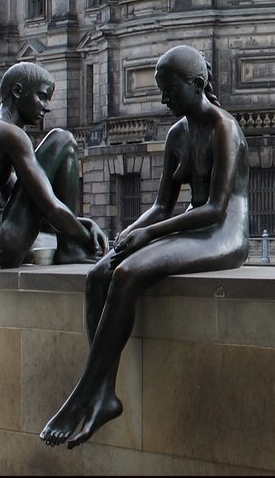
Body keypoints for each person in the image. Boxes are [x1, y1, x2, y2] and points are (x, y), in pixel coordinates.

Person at [41, 45, 249, 449]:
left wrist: (149, 236)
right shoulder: (177, 134)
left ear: (197, 84)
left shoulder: (224, 127)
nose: (163, 99)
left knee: (128, 272)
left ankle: (83, 393)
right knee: (100, 272)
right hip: (193, 228)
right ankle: (104, 395)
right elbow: (160, 206)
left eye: (169, 89)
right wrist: (130, 232)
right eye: (161, 90)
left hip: (224, 233)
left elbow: (215, 208)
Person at [0, 62, 108, 269]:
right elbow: (50, 208)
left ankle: (71, 244)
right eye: (42, 96)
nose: (47, 107)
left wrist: (83, 223)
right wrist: (85, 239)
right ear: (18, 91)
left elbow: (31, 205)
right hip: (1, 248)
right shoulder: (11, 134)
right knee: (62, 140)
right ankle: (71, 249)